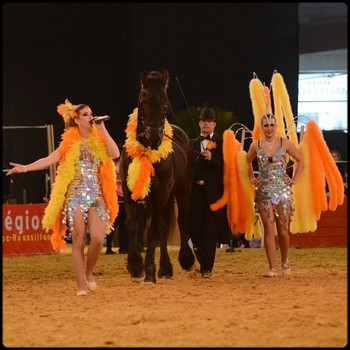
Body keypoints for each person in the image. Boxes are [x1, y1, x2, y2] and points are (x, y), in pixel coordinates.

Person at [6, 99, 120, 295]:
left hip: (97, 196)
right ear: (76, 120)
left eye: (91, 114)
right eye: (85, 115)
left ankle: (89, 272)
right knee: (78, 238)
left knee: (98, 239)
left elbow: (115, 154)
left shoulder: (100, 139)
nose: (90, 117)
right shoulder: (69, 143)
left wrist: (103, 129)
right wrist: (24, 168)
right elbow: (49, 159)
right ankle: (81, 287)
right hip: (75, 195)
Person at [246, 113, 304, 277]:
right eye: (266, 125)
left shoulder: (284, 143)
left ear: (277, 126)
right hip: (264, 191)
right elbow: (247, 160)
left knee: (283, 229)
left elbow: (301, 160)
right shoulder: (255, 145)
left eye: (272, 125)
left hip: (282, 192)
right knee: (268, 228)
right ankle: (272, 268)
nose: (269, 128)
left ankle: (285, 262)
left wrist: (294, 179)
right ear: (262, 127)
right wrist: (252, 177)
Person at [189, 107, 232, 278]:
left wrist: (212, 157)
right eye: (203, 121)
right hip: (196, 193)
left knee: (211, 231)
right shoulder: (192, 143)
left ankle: (207, 268)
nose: (206, 123)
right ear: (199, 123)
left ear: (214, 124)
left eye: (209, 121)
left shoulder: (223, 143)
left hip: (215, 194)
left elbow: (228, 165)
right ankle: (201, 260)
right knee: (195, 230)